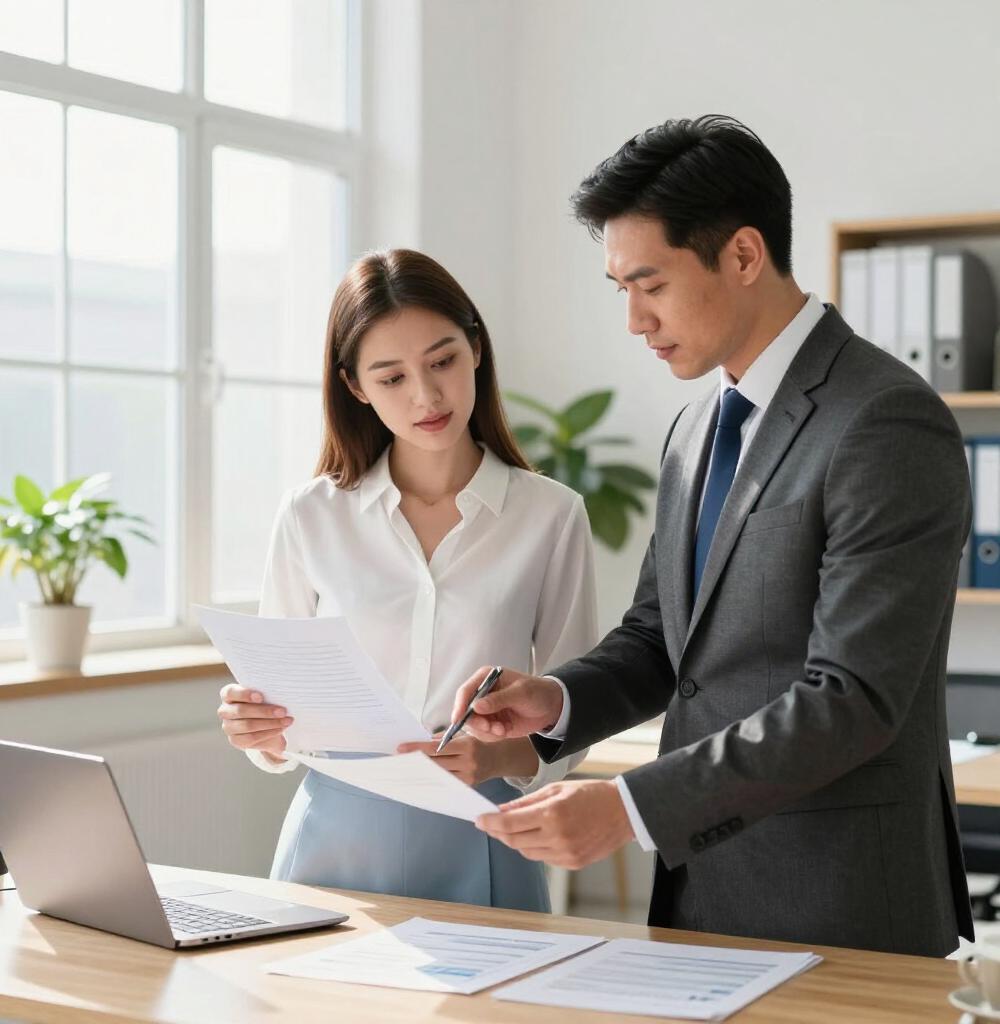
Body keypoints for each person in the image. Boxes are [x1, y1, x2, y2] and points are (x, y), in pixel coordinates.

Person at [452, 115, 974, 956]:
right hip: (700, 897)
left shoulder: (884, 420)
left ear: (741, 255)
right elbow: (664, 640)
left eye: (650, 284)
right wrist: (555, 700)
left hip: (842, 902)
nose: (634, 320)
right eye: (620, 288)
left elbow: (855, 700)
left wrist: (626, 807)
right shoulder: (696, 427)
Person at [217, 248, 596, 912]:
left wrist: (499, 761)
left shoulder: (551, 515)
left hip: (483, 833)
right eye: (391, 377)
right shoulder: (310, 516)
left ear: (476, 347)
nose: (426, 396)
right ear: (355, 386)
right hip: (333, 844)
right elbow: (276, 714)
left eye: (443, 361)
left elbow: (579, 709)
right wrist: (259, 730)